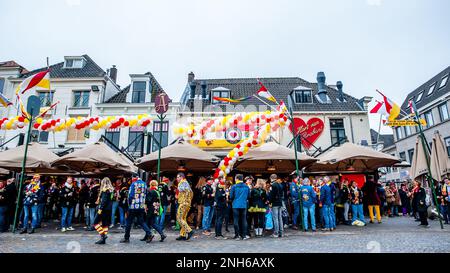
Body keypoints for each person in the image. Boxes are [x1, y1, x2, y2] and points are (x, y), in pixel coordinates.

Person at [121, 174, 153, 243]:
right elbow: (146, 194)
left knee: (128, 222)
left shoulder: (133, 184)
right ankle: (149, 233)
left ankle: (126, 238)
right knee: (141, 221)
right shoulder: (144, 184)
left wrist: (129, 204)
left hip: (133, 206)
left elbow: (130, 196)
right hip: (141, 206)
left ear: (134, 178)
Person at [93, 177, 114, 244]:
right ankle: (103, 240)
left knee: (95, 223)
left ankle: (103, 235)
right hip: (108, 209)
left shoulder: (105, 190)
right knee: (105, 224)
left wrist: (100, 209)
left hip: (103, 209)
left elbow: (104, 201)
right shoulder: (111, 190)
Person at [230, 174, 251, 240]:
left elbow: (231, 196)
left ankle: (237, 235)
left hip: (236, 205)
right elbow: (249, 196)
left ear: (237, 179)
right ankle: (244, 235)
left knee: (236, 220)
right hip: (244, 205)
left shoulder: (234, 186)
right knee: (244, 220)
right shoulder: (246, 187)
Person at [175, 172, 195, 241]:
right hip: (187, 204)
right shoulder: (187, 183)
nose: (177, 179)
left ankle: (189, 231)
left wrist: (180, 197)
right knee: (183, 218)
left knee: (179, 218)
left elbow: (181, 190)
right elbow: (191, 193)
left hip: (183, 203)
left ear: (181, 177)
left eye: (178, 177)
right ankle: (182, 235)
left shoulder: (182, 183)